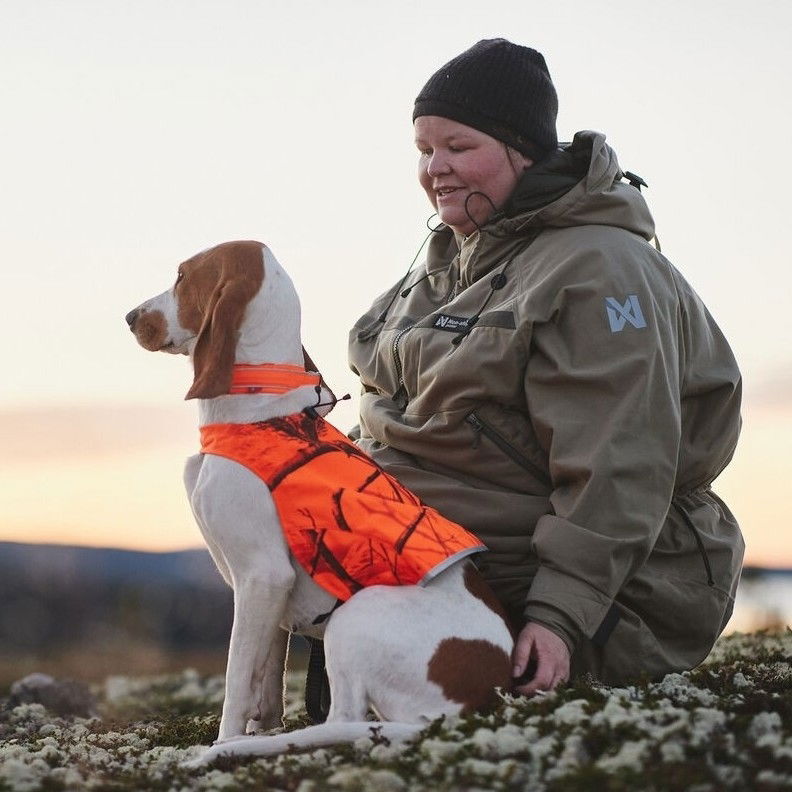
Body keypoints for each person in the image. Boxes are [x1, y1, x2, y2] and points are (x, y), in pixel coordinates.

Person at [346, 38, 744, 694]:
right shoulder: (449, 259)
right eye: (425, 149)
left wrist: (559, 617)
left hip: (596, 591)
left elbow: (620, 463)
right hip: (435, 553)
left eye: (458, 146)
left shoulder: (600, 269)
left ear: (522, 150)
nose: (436, 168)